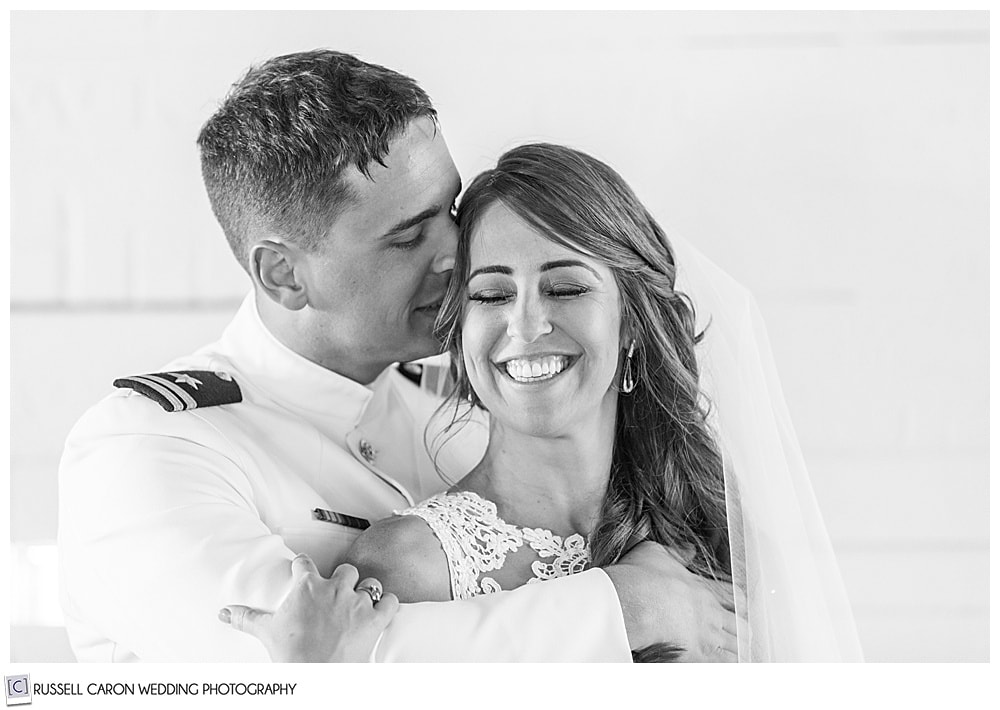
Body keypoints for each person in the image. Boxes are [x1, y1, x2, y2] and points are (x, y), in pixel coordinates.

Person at [57, 49, 738, 662]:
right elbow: (308, 667)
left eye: (450, 211)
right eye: (409, 237)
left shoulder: (459, 400)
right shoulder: (149, 448)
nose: (457, 253)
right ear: (285, 275)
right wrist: (630, 609)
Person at [223, 144, 865, 662]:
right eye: (494, 295)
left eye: (564, 288)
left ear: (633, 325)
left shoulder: (715, 539)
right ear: (460, 333)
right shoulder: (408, 569)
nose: (526, 326)